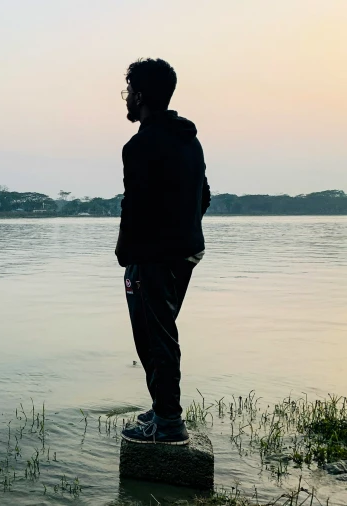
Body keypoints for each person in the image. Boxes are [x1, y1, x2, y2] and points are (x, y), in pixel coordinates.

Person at [116, 58, 211, 445]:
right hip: (186, 250)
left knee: (155, 338)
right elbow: (203, 196)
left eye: (128, 91)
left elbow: (134, 205)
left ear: (139, 96)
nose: (126, 98)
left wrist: (127, 254)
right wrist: (184, 231)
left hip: (155, 255)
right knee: (162, 332)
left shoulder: (140, 145)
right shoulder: (190, 139)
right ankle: (161, 408)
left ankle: (169, 423)